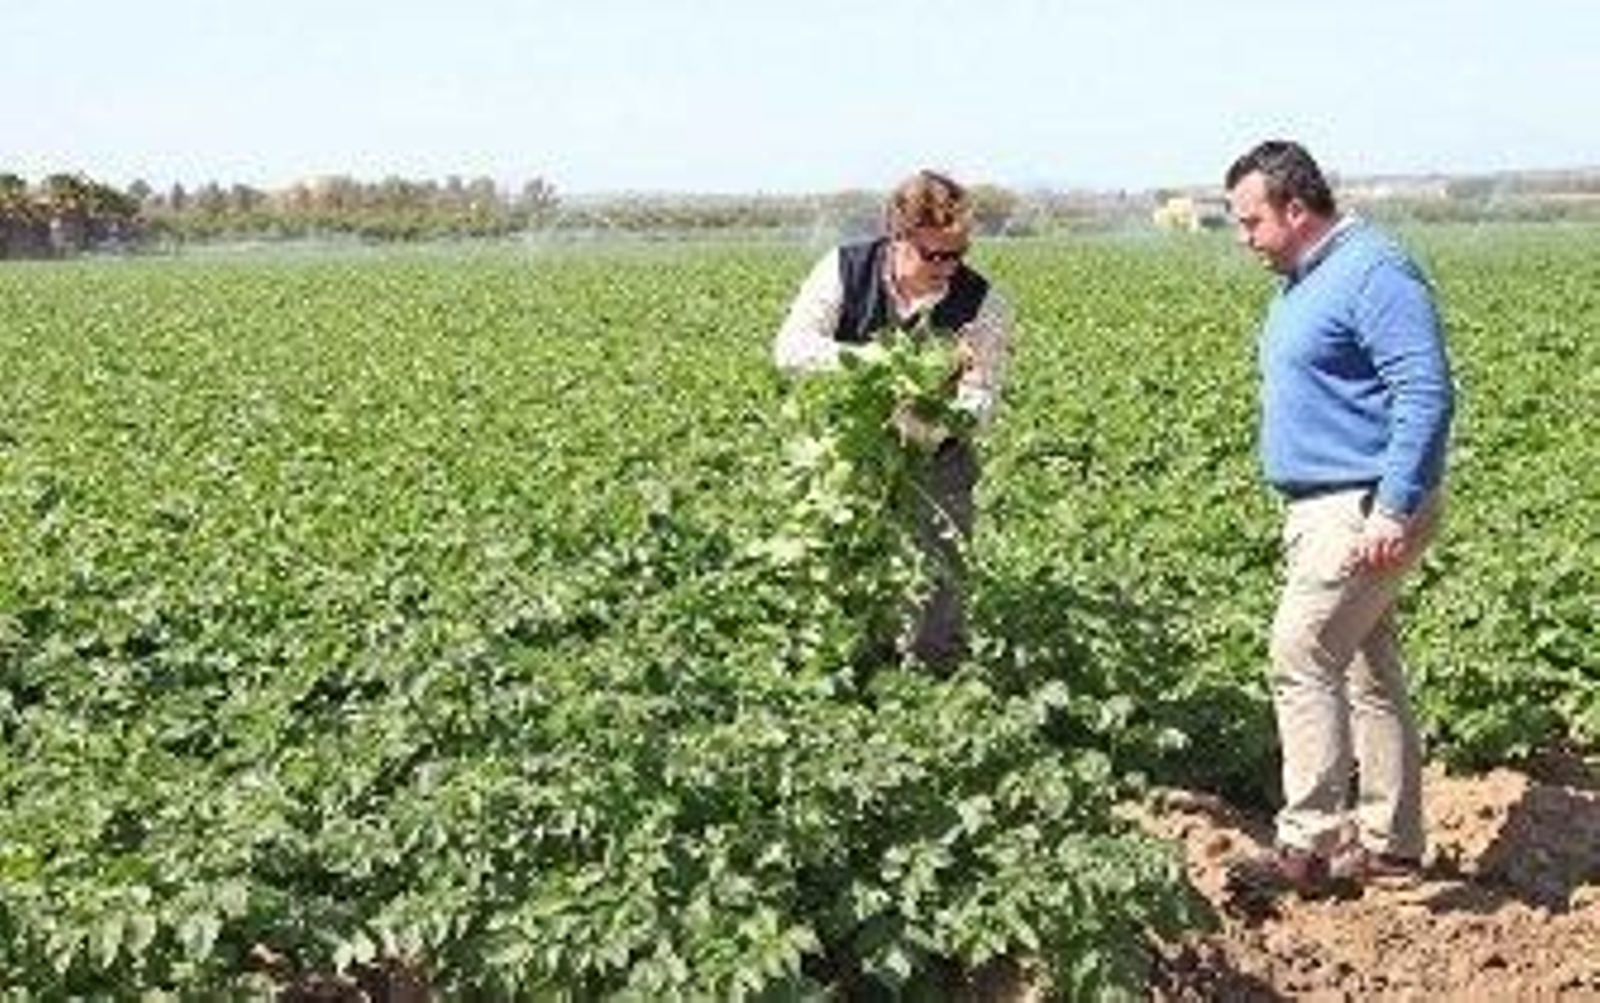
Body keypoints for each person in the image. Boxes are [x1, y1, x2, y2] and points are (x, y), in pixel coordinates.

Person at [1220, 140, 1455, 902]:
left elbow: (1425, 392)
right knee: (1365, 667)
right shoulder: (1305, 276)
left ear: (1296, 208)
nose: (1244, 237)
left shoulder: (1374, 270)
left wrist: (1391, 506)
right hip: (1331, 502)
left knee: (1301, 652)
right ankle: (1390, 849)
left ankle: (1310, 843)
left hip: (1360, 504)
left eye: (1251, 220)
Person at [772, 169, 1014, 670]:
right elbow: (791, 349)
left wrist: (930, 427)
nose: (948, 267)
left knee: (935, 623)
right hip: (848, 460)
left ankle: (937, 706)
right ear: (898, 235)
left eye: (958, 253)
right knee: (845, 604)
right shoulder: (844, 270)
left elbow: (980, 400)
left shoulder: (985, 304)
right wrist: (879, 363)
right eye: (934, 254)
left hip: (937, 471)